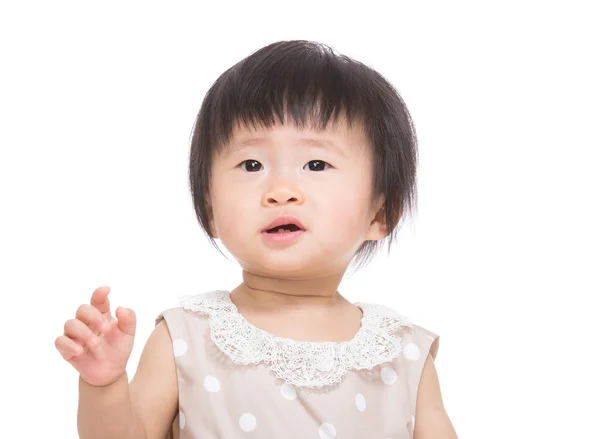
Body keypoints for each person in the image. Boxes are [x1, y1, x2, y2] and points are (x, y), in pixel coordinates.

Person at [55, 40, 458, 439]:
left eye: (316, 164)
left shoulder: (402, 354)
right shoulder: (187, 339)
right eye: (252, 164)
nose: (281, 189)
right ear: (210, 209)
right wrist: (104, 387)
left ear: (380, 214)